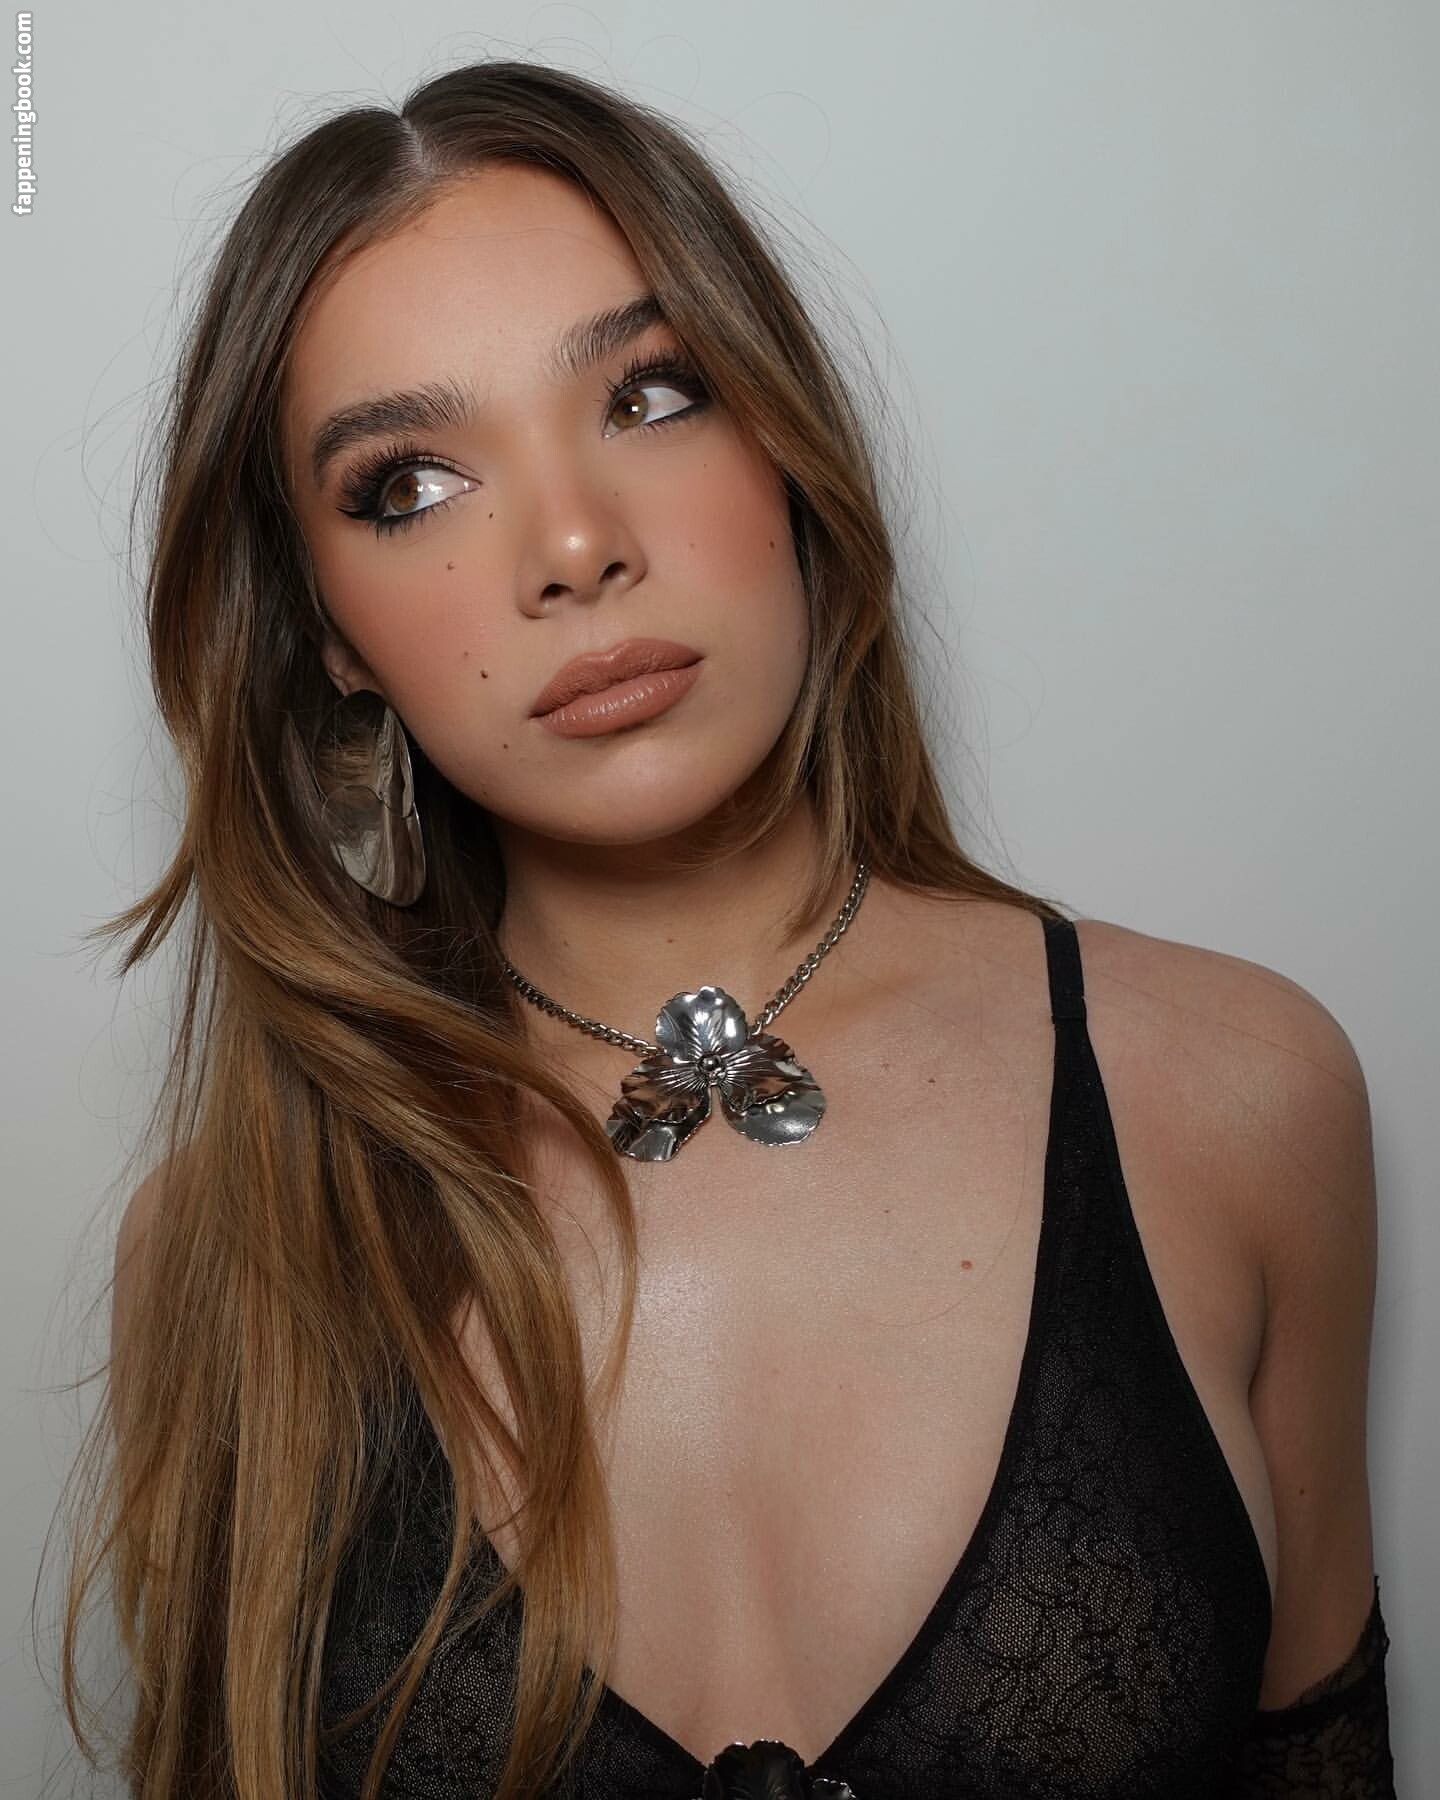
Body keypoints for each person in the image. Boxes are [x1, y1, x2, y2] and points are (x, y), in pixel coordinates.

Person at [70, 57, 1394, 1800]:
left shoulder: (1233, 1096)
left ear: (782, 441)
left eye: (651, 393)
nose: (571, 544)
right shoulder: (226, 1253)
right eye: (408, 485)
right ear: (326, 632)